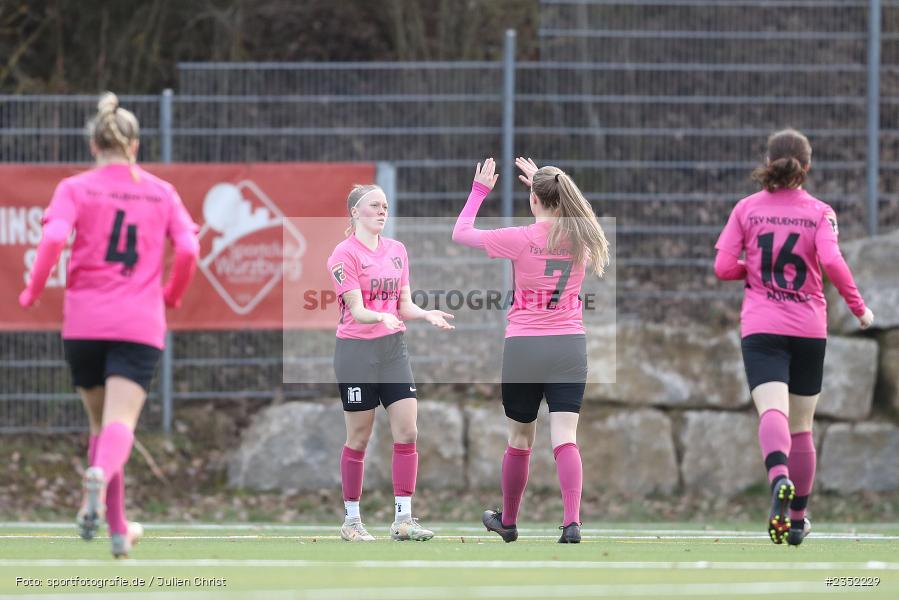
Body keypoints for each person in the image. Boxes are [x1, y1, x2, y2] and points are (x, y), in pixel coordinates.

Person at [18, 92, 200, 558]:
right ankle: (96, 482)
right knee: (119, 423)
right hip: (138, 322)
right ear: (134, 146)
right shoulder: (161, 192)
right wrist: (173, 295)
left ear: (94, 146)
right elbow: (188, 249)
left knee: (101, 425)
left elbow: (53, 238)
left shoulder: (75, 187)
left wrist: (32, 291)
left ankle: (118, 531)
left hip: (84, 323)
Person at [714, 128, 873, 546]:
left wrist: (754, 269)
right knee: (802, 426)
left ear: (768, 162)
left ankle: (778, 477)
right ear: (807, 166)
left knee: (773, 411)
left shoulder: (747, 208)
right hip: (808, 328)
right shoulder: (820, 212)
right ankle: (798, 521)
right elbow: (832, 261)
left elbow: (723, 267)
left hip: (762, 327)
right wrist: (859, 308)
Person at [452, 157, 610, 544]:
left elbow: (461, 233)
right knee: (565, 438)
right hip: (569, 346)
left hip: (524, 347)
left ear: (534, 200)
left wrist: (479, 191)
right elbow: (564, 211)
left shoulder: (520, 237)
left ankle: (508, 522)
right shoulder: (583, 237)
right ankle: (571, 523)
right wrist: (548, 182)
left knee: (520, 439)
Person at [326, 183, 454, 542]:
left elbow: (404, 305)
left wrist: (425, 314)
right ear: (355, 212)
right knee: (359, 437)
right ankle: (352, 521)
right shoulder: (343, 254)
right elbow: (357, 310)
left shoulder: (397, 250)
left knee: (408, 431)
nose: (382, 211)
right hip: (356, 353)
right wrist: (380, 316)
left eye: (385, 205)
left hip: (393, 350)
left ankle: (403, 519)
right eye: (374, 205)